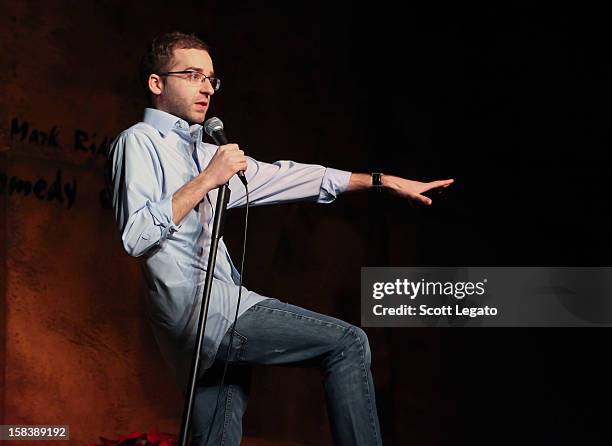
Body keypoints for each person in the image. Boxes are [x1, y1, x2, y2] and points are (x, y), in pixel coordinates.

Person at [108, 31, 453, 446]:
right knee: (347, 343)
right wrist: (207, 180)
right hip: (204, 311)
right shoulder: (139, 142)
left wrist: (379, 181)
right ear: (157, 83)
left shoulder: (204, 152)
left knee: (217, 435)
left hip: (206, 328)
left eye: (211, 79)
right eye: (192, 74)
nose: (205, 87)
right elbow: (137, 234)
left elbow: (289, 175)